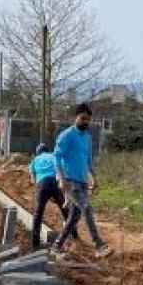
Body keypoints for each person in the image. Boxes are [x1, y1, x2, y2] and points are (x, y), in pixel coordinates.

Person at [50, 103, 112, 258]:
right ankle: (99, 245)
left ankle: (56, 246)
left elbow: (88, 160)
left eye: (88, 120)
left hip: (83, 182)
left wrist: (94, 178)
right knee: (87, 208)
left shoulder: (87, 138)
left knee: (74, 217)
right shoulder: (67, 135)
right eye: (83, 118)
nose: (86, 122)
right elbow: (56, 157)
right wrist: (61, 178)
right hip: (70, 181)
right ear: (76, 117)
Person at [27, 143, 66, 250]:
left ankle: (35, 242)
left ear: (38, 152)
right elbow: (62, 169)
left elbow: (33, 179)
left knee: (38, 213)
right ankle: (74, 234)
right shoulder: (53, 156)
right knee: (65, 209)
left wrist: (41, 191)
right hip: (55, 182)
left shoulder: (34, 160)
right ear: (47, 150)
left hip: (42, 184)